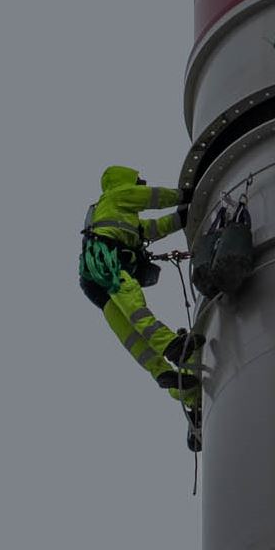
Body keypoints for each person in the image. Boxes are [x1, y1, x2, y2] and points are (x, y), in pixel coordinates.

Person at [79, 166, 201, 416]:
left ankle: (162, 372)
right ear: (125, 181)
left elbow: (154, 228)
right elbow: (153, 198)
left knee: (127, 331)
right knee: (135, 308)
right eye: (138, 181)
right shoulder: (117, 195)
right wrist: (185, 195)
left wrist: (183, 218)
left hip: (92, 281)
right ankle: (171, 346)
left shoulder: (120, 216)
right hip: (108, 262)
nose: (142, 184)